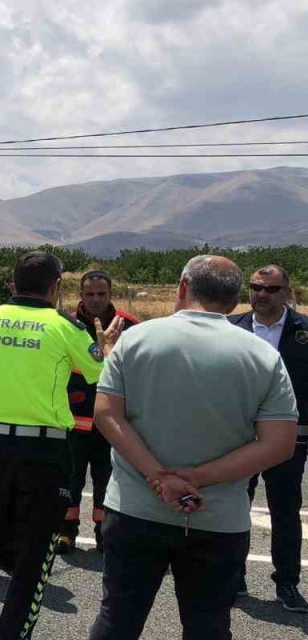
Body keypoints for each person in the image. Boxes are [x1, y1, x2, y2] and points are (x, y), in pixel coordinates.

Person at [88, 255, 299, 640]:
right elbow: (280, 444)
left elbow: (106, 415)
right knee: (208, 626)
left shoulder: (135, 339)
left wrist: (159, 476)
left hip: (136, 510)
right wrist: (197, 477)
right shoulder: (263, 356)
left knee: (118, 619)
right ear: (235, 301)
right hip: (217, 519)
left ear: (182, 288)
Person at [0, 251, 122, 640]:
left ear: (12, 283)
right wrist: (106, 349)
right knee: (33, 553)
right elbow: (101, 373)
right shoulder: (65, 327)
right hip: (44, 453)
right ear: (56, 286)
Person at [228, 264, 308, 611]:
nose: (261, 294)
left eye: (270, 289)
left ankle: (287, 584)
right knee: (233, 507)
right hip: (239, 435)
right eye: (255, 288)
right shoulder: (232, 328)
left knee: (285, 510)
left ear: (287, 293)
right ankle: (234, 578)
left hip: (290, 438)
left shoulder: (304, 331)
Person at [57, 271, 139, 554]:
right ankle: (65, 533)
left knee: (108, 480)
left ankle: (105, 534)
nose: (95, 299)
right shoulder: (66, 325)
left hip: (112, 423)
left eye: (101, 294)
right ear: (80, 294)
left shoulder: (128, 325)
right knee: (70, 480)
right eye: (89, 294)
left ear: (110, 294)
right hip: (72, 420)